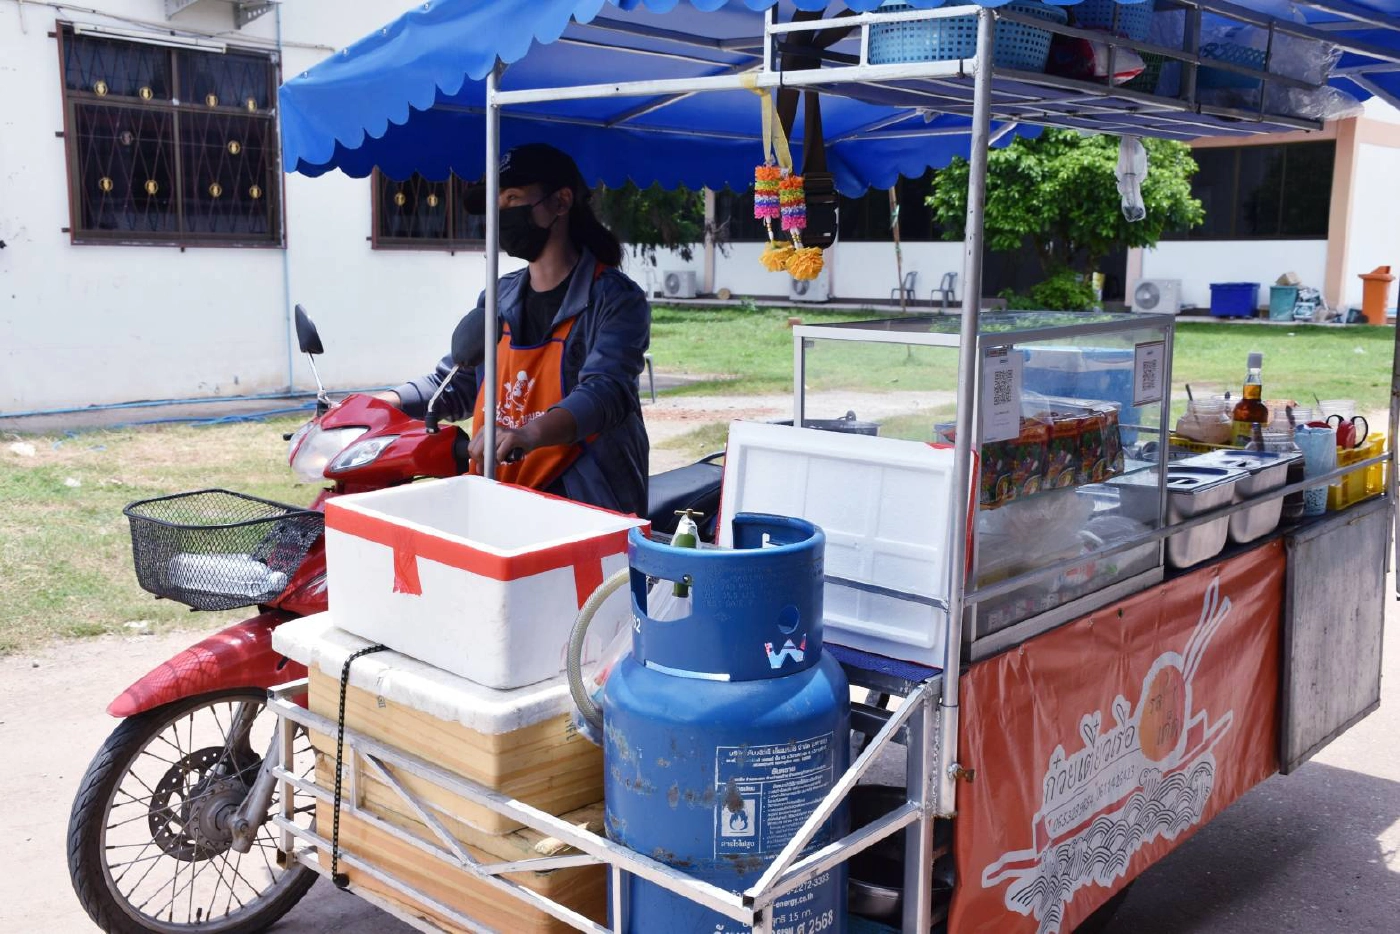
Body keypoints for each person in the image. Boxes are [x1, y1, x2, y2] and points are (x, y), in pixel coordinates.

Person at [383, 144, 651, 516]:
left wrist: (529, 434)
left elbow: (606, 390)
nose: (503, 214)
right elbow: (456, 381)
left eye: (513, 199)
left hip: (585, 503)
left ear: (561, 202)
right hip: (502, 493)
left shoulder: (615, 299)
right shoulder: (498, 296)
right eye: (497, 204)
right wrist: (382, 404)